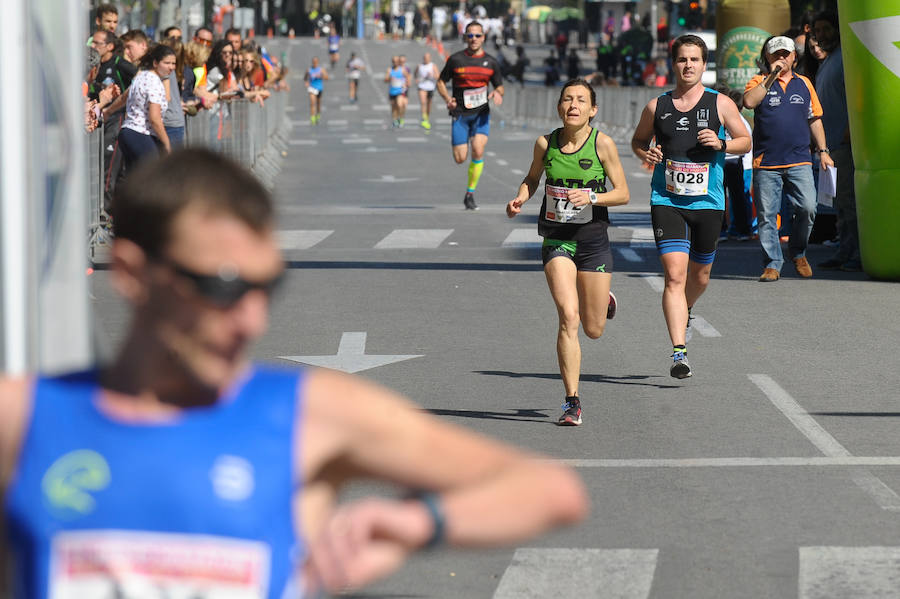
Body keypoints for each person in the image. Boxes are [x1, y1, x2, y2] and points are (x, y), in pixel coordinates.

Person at [0, 148, 589, 597]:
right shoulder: (25, 419)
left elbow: (548, 491)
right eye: (225, 287)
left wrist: (418, 523)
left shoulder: (309, 414)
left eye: (267, 288)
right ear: (131, 275)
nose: (252, 320)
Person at [506, 78, 629, 425]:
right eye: (566, 100)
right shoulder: (545, 144)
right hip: (557, 238)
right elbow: (532, 179)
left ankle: (602, 300)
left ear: (593, 110)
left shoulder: (602, 144)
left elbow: (622, 193)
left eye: (580, 101)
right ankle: (571, 401)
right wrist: (520, 197)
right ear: (559, 107)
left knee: (594, 329)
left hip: (593, 241)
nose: (573, 105)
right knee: (567, 317)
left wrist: (591, 196)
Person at [631, 34, 750, 378]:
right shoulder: (657, 106)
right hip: (667, 200)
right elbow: (638, 140)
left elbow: (745, 141)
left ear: (704, 64)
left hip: (709, 203)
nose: (688, 65)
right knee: (674, 276)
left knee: (700, 276)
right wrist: (646, 152)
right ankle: (679, 351)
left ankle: (688, 309)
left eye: (694, 60)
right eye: (682, 59)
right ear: (674, 63)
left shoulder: (719, 104)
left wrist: (722, 143)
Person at [742, 35, 832, 282]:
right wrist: (771, 77)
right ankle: (772, 263)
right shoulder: (759, 81)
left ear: (794, 57)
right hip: (766, 162)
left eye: (786, 54)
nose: (781, 58)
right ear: (767, 58)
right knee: (767, 216)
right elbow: (748, 102)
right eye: (776, 54)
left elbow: (815, 118)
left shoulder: (804, 83)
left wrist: (823, 151)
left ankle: (798, 252)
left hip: (800, 159)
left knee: (808, 208)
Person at [436, 21, 504, 210]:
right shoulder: (456, 60)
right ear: (465, 37)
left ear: (484, 37)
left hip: (481, 114)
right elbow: (441, 81)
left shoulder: (491, 62)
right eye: (470, 35)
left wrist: (498, 93)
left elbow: (499, 86)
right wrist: (447, 99)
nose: (474, 39)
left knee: (478, 150)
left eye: (478, 35)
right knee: (460, 158)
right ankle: (469, 187)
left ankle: (470, 193)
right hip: (460, 114)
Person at [812, 10, 860, 272]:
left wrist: (848, 133)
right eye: (817, 31)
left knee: (849, 201)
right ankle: (844, 251)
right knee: (840, 202)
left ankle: (855, 254)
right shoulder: (829, 61)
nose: (821, 35)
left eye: (825, 29)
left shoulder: (845, 59)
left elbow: (856, 97)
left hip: (843, 143)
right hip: (828, 146)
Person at [117, 43, 174, 172]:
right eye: (167, 63)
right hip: (141, 133)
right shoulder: (154, 82)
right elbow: (155, 119)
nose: (171, 67)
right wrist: (167, 144)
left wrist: (108, 111)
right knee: (152, 179)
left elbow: (124, 97)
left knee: (134, 180)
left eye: (173, 63)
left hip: (127, 132)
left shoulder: (141, 76)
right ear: (155, 63)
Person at [415, 52, 439, 129]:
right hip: (422, 86)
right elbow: (415, 73)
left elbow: (438, 76)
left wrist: (431, 75)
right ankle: (424, 118)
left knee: (429, 104)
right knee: (423, 102)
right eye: (425, 58)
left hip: (431, 87)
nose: (426, 59)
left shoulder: (433, 65)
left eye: (428, 58)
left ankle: (427, 118)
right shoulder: (420, 66)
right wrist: (417, 79)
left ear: (430, 58)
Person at [385, 55, 410, 128]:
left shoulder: (402, 69)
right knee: (393, 107)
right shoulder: (390, 70)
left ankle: (401, 119)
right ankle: (395, 120)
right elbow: (385, 79)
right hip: (392, 91)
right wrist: (390, 78)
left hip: (399, 91)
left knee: (400, 105)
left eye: (396, 61)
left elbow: (407, 76)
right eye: (394, 61)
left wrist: (406, 84)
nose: (395, 63)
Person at [304, 56, 328, 125]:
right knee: (312, 103)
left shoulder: (321, 69)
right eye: (313, 62)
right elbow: (305, 78)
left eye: (316, 62)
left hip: (319, 88)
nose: (314, 63)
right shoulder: (309, 70)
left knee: (318, 104)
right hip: (312, 88)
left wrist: (321, 76)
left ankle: (318, 115)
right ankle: (312, 118)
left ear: (317, 62)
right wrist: (306, 82)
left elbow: (327, 77)